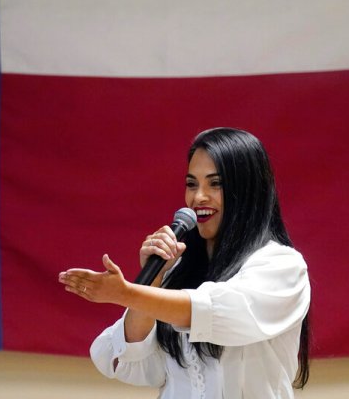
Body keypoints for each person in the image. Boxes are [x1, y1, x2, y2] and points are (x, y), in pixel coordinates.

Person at [58, 127, 311, 398]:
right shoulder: (180, 271)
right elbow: (134, 361)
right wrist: (154, 277)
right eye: (192, 184)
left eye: (215, 184)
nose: (198, 197)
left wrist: (126, 293)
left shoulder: (282, 266)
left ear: (248, 190)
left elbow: (215, 312)